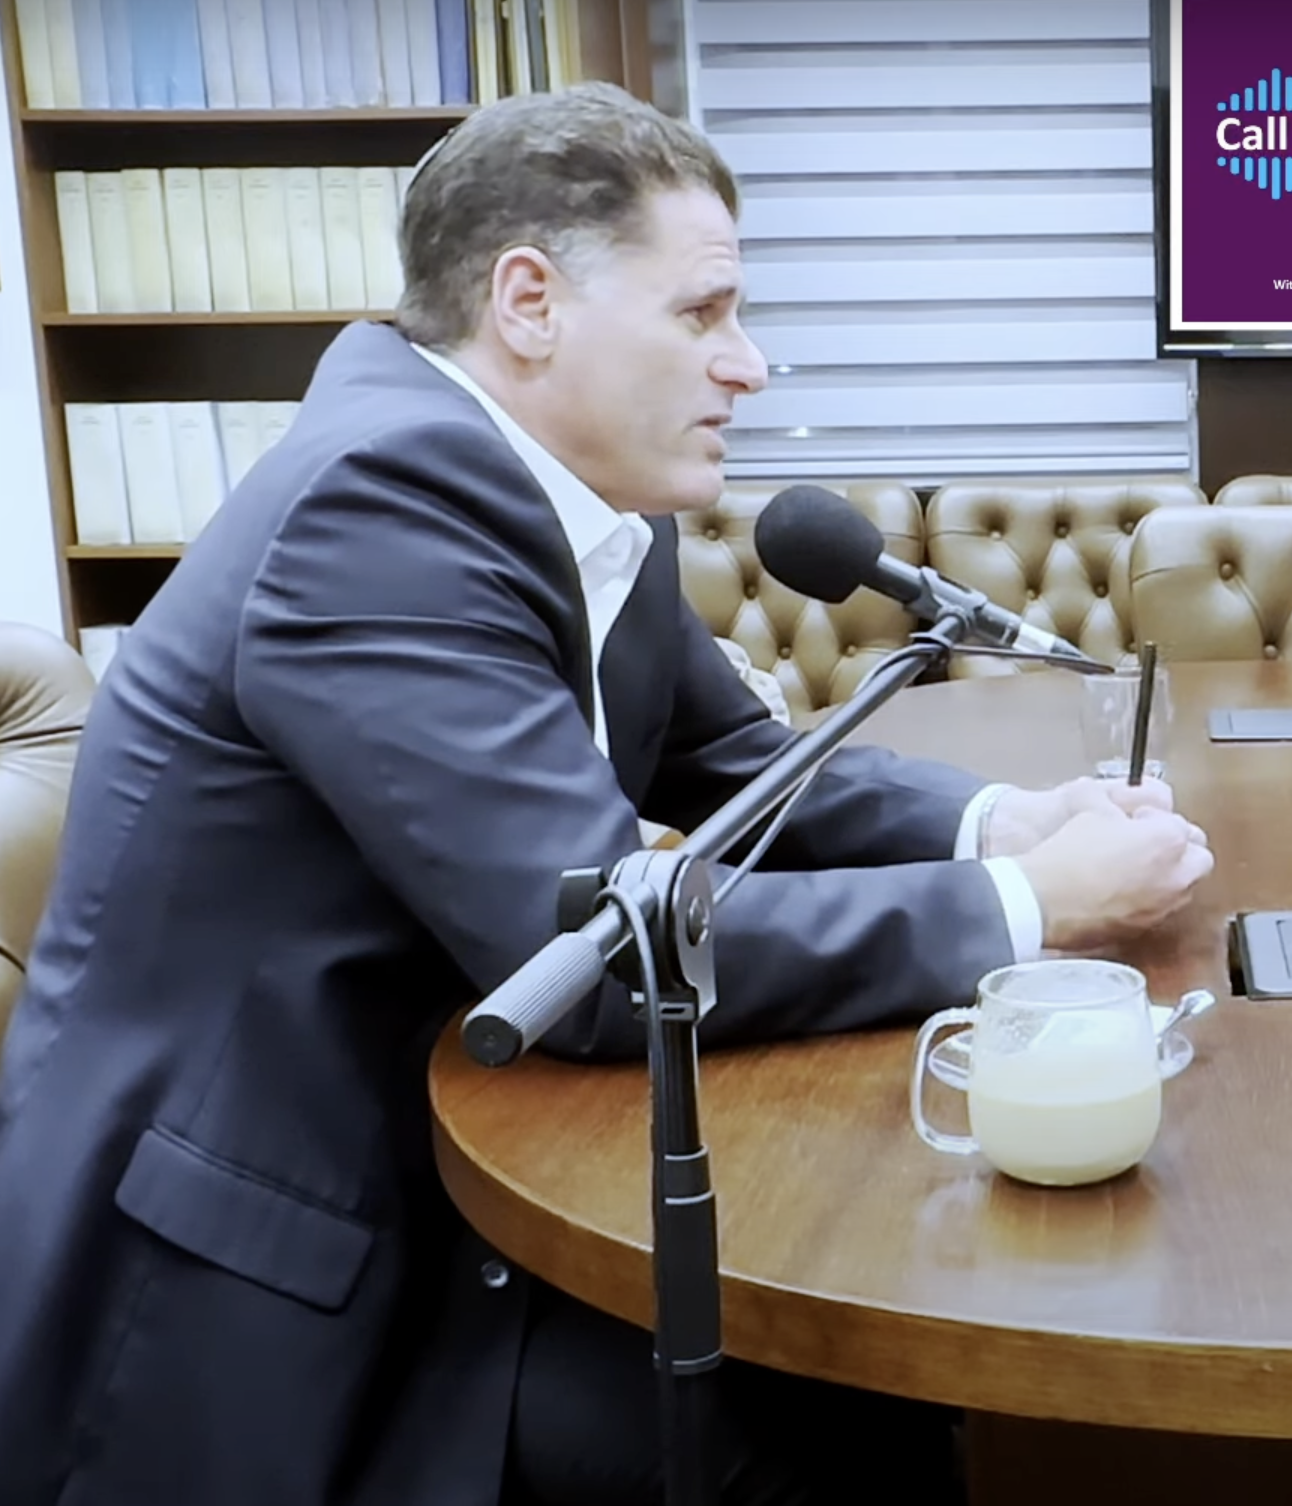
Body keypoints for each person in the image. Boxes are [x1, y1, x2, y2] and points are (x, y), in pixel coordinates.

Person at [0, 84, 1214, 1506]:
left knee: (874, 1384)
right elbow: (586, 958)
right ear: (530, 303)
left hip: (463, 1145)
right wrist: (1030, 908)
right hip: (285, 1276)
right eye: (703, 313)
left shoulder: (573, 499)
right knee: (840, 1442)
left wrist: (999, 823)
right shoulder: (374, 509)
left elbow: (740, 762)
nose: (748, 365)